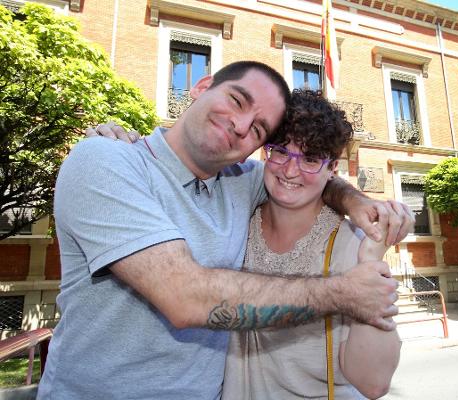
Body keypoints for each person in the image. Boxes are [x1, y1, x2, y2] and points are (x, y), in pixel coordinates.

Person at [40, 61, 412, 400]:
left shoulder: (240, 182)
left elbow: (302, 178)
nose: (240, 125)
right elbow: (185, 297)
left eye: (258, 129)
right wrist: (345, 292)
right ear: (201, 87)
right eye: (237, 100)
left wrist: (358, 203)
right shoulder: (107, 160)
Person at [222, 90, 401, 400]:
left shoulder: (350, 246)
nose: (291, 171)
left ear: (332, 169)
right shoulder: (236, 221)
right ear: (266, 152)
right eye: (280, 151)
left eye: (310, 159)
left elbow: (373, 382)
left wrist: (372, 259)